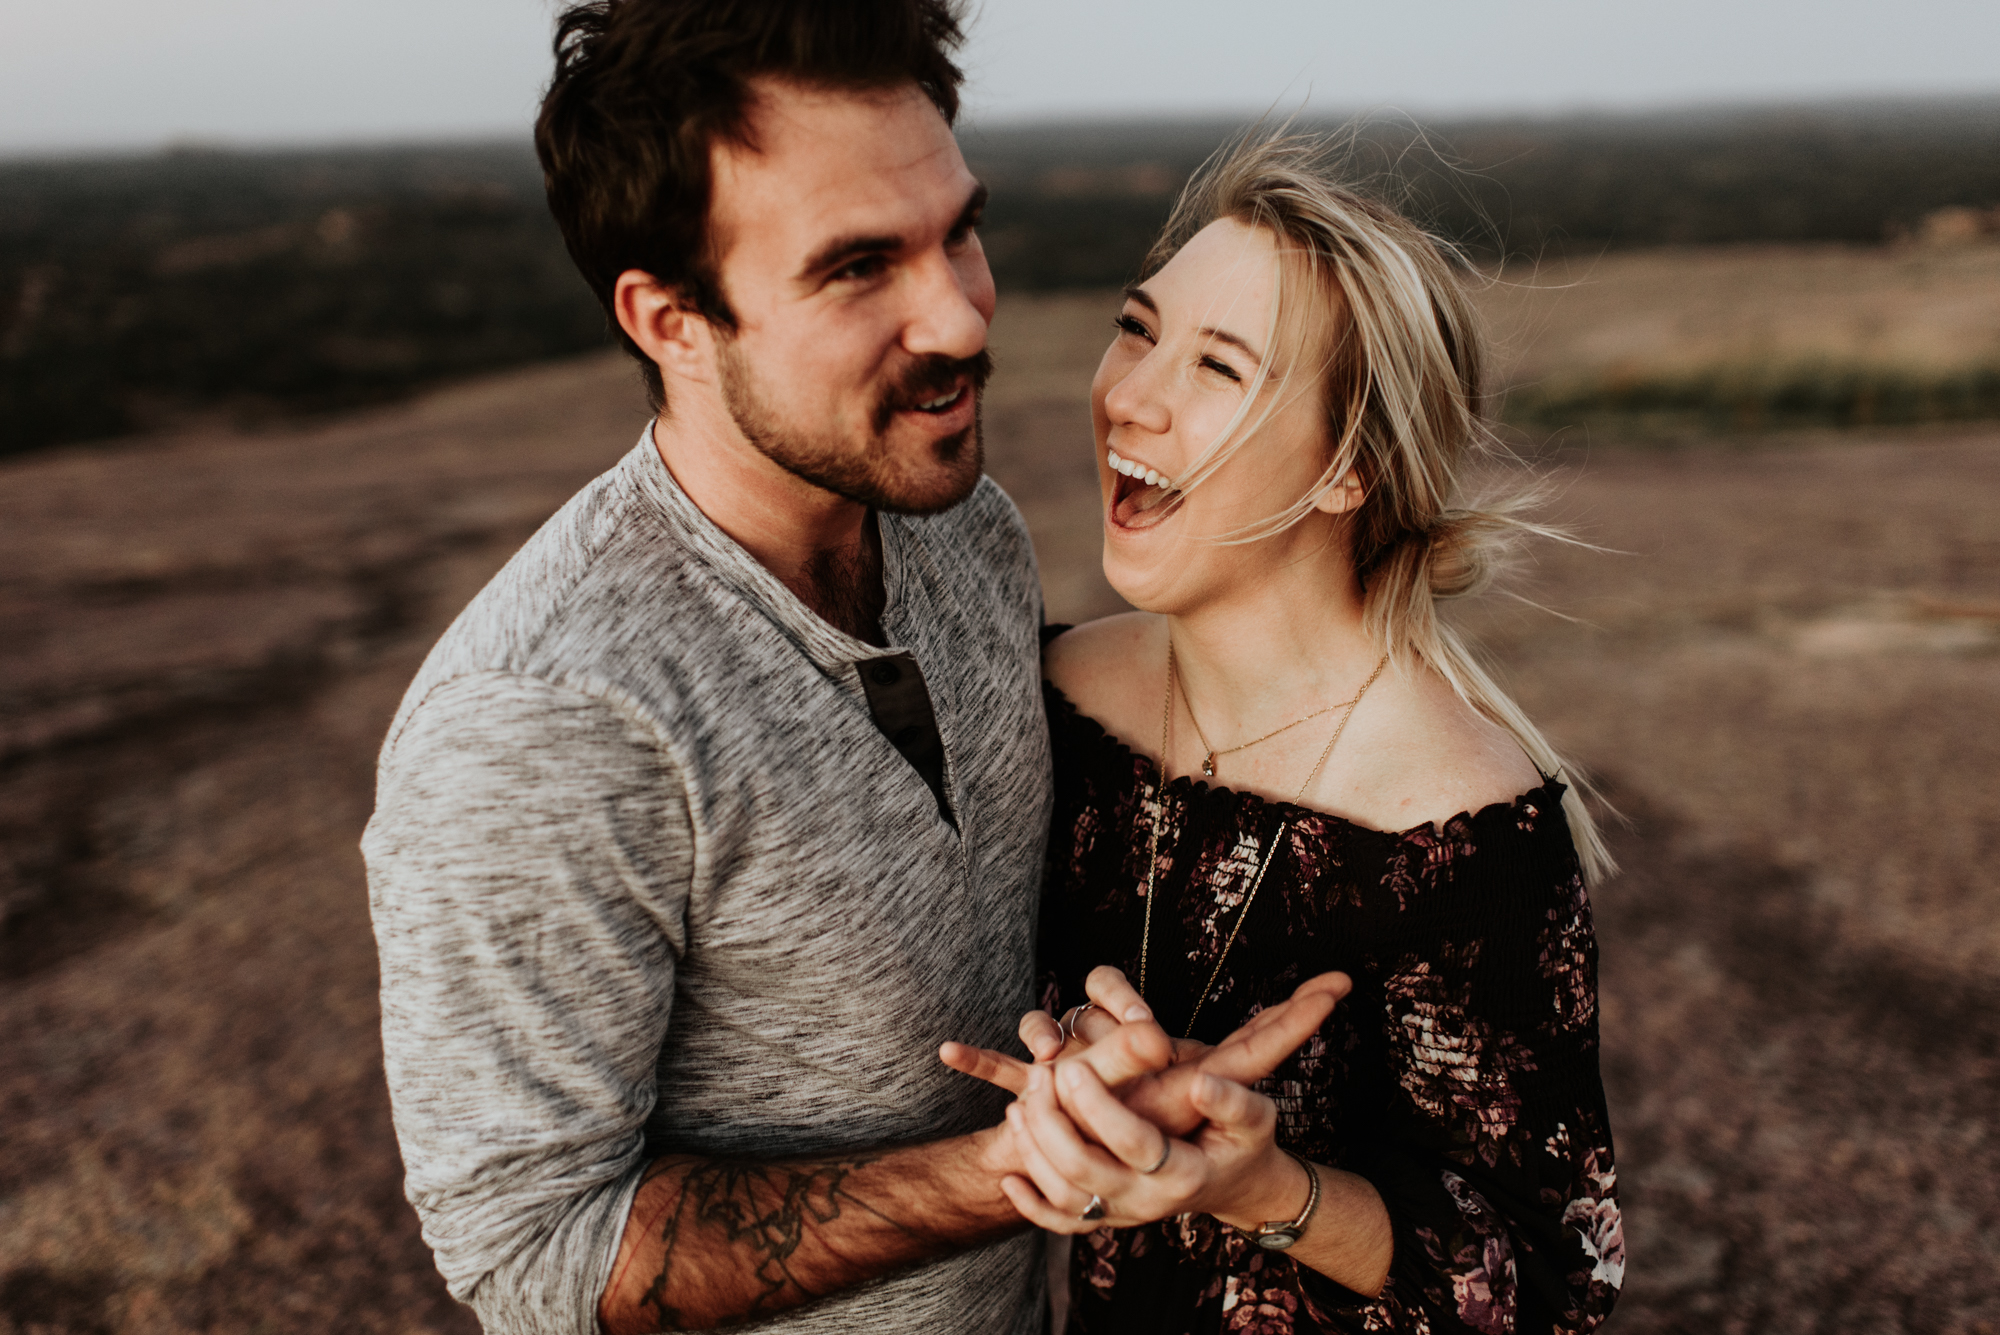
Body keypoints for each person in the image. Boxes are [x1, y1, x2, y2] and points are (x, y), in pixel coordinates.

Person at [362, 3, 1341, 1333]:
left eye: (960, 231)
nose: (957, 315)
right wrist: (1010, 1170)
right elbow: (540, 1256)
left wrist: (1095, 1063)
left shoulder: (963, 529)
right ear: (670, 319)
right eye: (858, 268)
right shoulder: (545, 719)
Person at [944, 134, 1625, 1332]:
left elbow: (1548, 1290)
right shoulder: (1046, 694)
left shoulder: (1457, 828)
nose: (1130, 394)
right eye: (1139, 327)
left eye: (1219, 368)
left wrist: (1267, 1185)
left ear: (1346, 469)